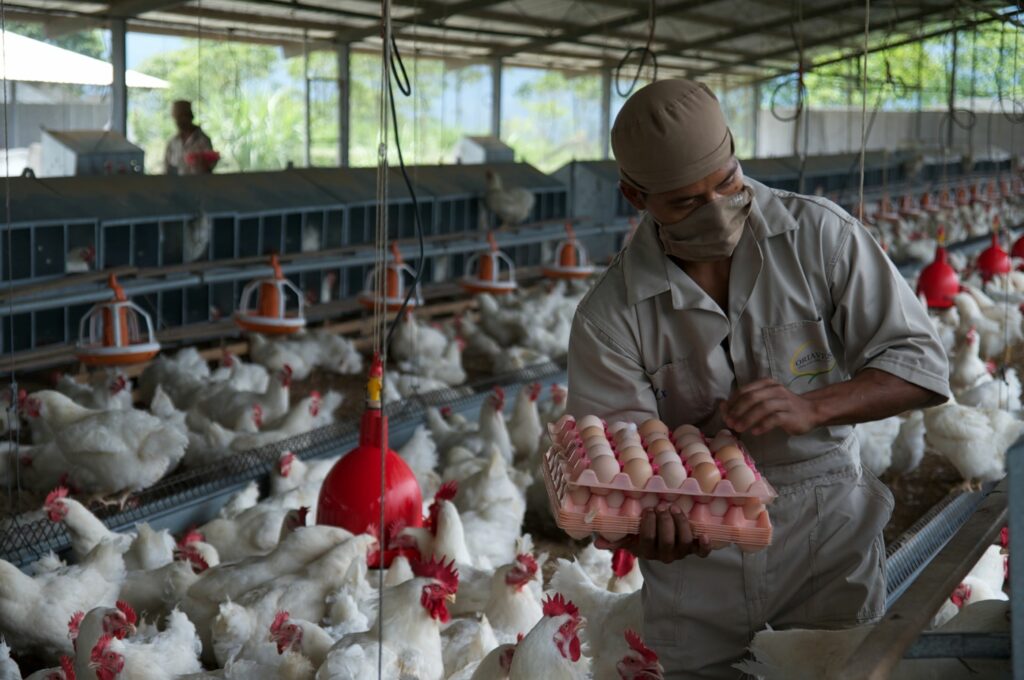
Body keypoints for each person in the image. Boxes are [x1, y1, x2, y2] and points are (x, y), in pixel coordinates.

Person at [565, 79, 949, 678]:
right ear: (635, 196)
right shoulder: (611, 315)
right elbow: (618, 473)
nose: (716, 207)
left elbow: (922, 367)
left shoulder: (820, 238)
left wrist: (816, 407)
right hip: (701, 570)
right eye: (686, 202)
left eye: (726, 181)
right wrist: (647, 530)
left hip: (828, 543)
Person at [164, 100, 217, 175]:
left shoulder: (203, 140)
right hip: (177, 185)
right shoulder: (172, 143)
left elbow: (210, 168)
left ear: (189, 117)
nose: (178, 122)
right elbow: (167, 169)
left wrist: (201, 163)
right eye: (177, 119)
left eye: (182, 118)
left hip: (199, 184)